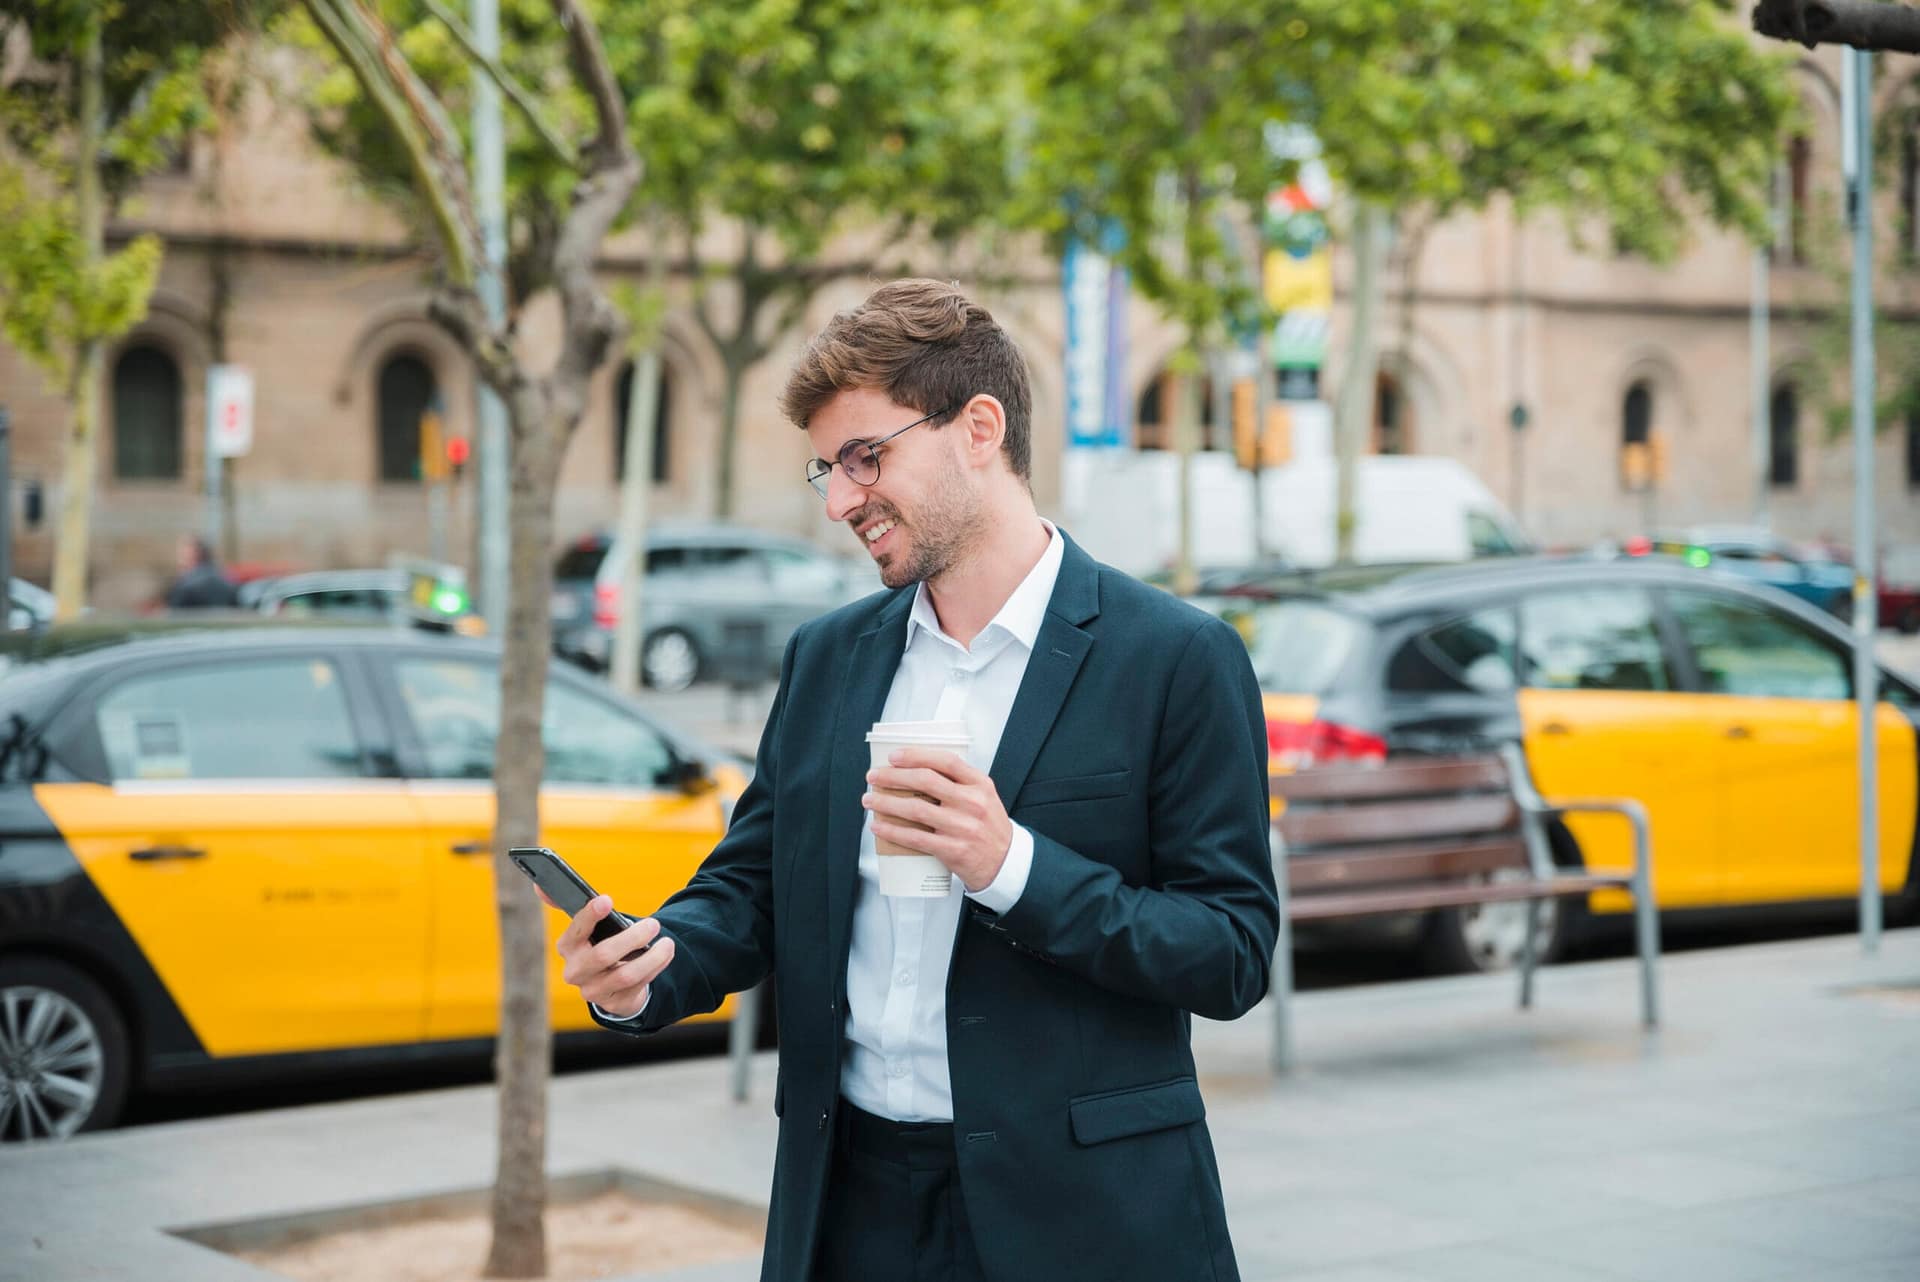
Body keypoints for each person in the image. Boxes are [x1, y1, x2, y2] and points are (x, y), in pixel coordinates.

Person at [555, 279, 1278, 1282]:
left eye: (867, 456)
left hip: (1085, 1218)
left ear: (979, 427)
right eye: (827, 470)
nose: (843, 498)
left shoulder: (1176, 657)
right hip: (851, 1202)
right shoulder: (827, 656)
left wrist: (1010, 864)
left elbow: (1232, 951)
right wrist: (648, 969)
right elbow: (751, 883)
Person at [164, 535, 239, 609]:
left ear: (197, 554)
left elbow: (173, 610)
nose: (180, 557)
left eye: (183, 553)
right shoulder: (225, 579)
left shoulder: (185, 586)